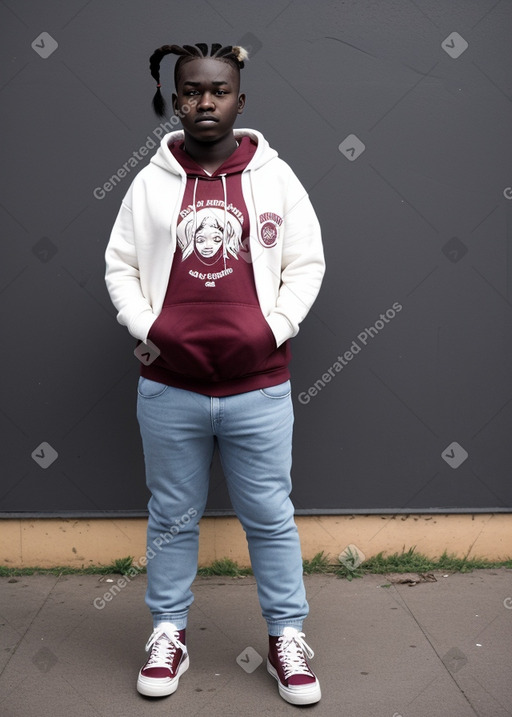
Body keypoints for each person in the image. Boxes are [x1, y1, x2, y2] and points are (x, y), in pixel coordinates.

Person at [104, 42, 325, 706]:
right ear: (175, 101)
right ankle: (168, 630)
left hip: (260, 385)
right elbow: (118, 266)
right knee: (172, 516)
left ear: (240, 100)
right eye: (192, 91)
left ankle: (288, 637)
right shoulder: (149, 183)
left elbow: (307, 264)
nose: (206, 102)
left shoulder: (276, 179)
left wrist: (270, 328)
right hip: (169, 386)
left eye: (219, 90)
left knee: (270, 515)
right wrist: (152, 328)